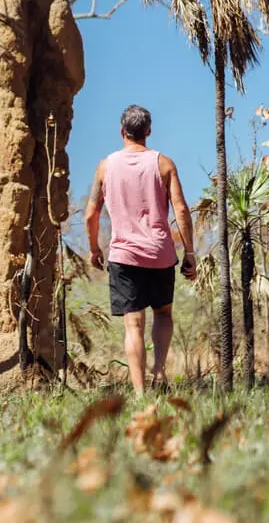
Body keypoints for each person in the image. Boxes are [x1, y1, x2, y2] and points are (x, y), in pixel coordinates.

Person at [84, 104, 196, 395]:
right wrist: (190, 252)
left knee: (133, 324)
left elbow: (90, 214)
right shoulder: (164, 164)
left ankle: (139, 392)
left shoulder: (105, 166)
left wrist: (94, 248)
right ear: (148, 131)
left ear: (122, 132)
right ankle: (159, 374)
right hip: (160, 254)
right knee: (162, 314)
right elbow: (181, 210)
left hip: (123, 256)